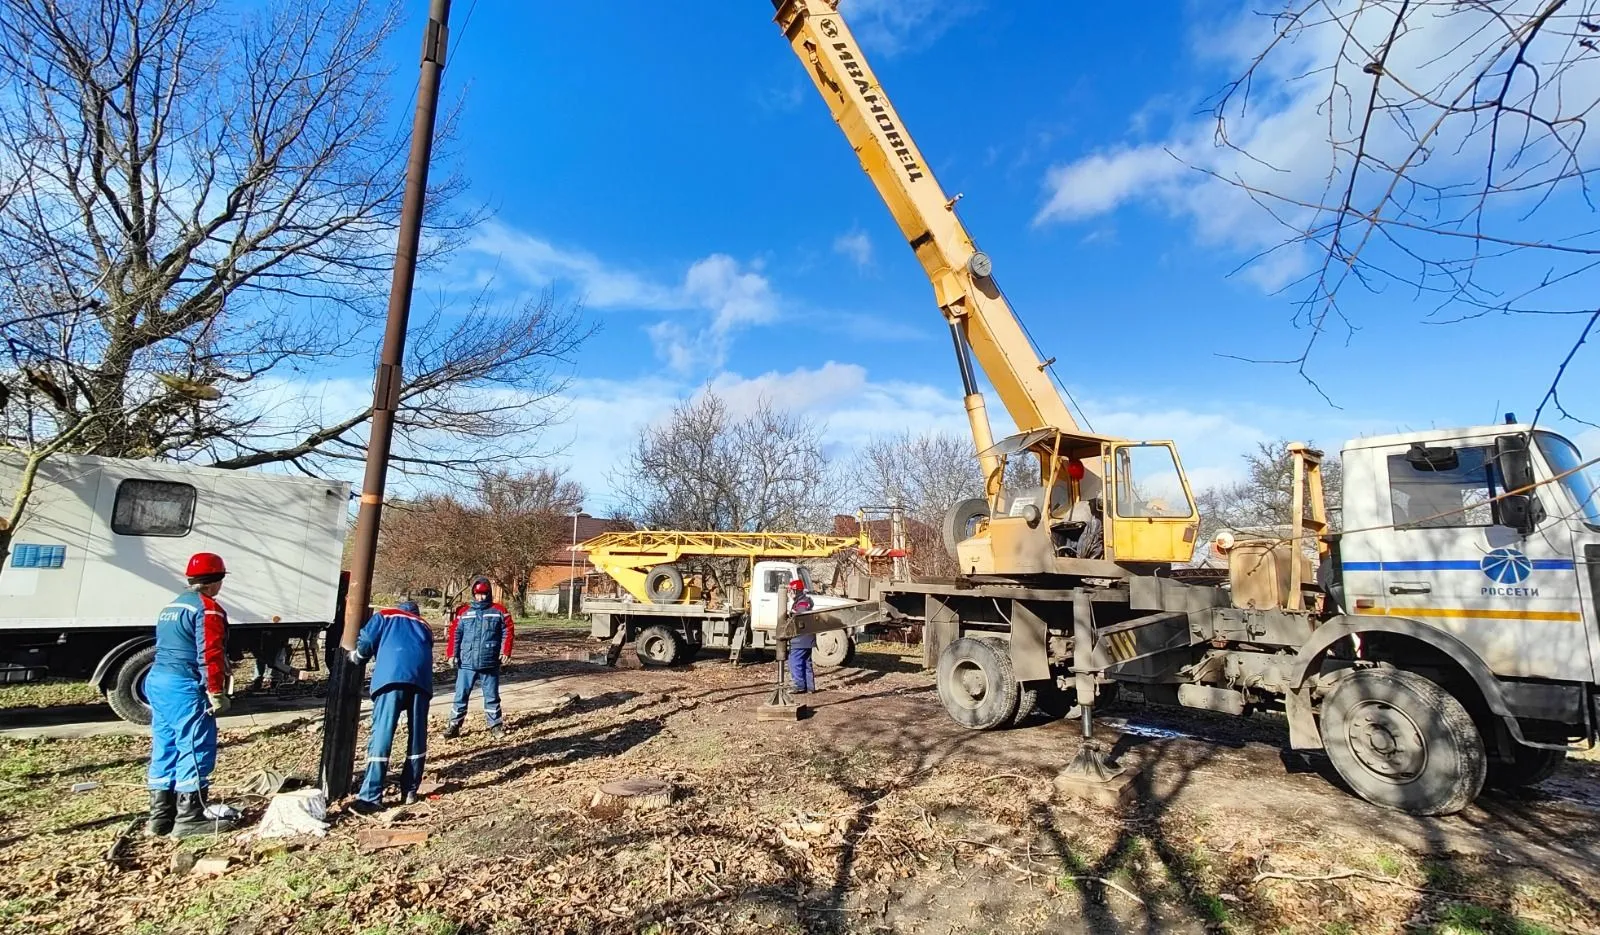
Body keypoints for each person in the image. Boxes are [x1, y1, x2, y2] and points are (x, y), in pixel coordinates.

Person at [146, 552, 240, 838]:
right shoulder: (207, 608)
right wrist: (216, 691)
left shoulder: (171, 606)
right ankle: (189, 818)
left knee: (166, 745)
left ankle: (161, 817)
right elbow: (209, 652)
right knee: (195, 745)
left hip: (158, 681)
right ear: (216, 581)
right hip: (183, 685)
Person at [348, 600, 434, 814]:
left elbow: (367, 639)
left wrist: (358, 656)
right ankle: (410, 790)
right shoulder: (424, 625)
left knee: (383, 734)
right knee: (417, 736)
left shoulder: (385, 615)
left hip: (390, 679)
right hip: (421, 682)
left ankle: (371, 796)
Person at [443, 577, 514, 739]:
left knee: (491, 696)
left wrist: (506, 651)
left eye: (483, 594)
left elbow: (508, 632)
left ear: (488, 593)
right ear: (473, 594)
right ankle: (454, 725)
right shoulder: (464, 612)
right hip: (466, 662)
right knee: (461, 695)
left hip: (490, 661)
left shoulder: (499, 611)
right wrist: (452, 654)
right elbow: (455, 634)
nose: (480, 597)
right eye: (477, 594)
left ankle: (495, 726)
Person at [786, 577, 817, 695]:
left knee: (795, 661)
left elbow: (802, 612)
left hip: (801, 638)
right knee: (806, 662)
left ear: (796, 591)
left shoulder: (802, 602)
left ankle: (799, 685)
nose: (790, 593)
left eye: (791, 591)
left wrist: (792, 613)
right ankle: (810, 687)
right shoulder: (805, 600)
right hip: (808, 638)